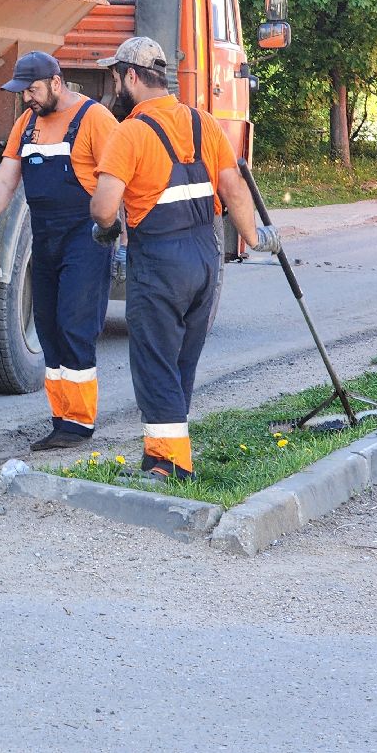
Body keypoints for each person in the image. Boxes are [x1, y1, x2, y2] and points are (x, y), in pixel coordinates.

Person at [88, 37, 280, 481]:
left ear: (131, 77)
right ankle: (163, 454)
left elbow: (103, 207)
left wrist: (105, 229)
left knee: (155, 362)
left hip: (159, 261)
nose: (114, 85)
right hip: (204, 258)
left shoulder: (129, 132)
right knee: (179, 364)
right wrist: (256, 237)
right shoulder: (203, 123)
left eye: (115, 77)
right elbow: (233, 188)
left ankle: (170, 467)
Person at [0, 50, 119, 450]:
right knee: (47, 326)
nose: (27, 99)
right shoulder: (26, 123)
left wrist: (119, 228)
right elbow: (5, 181)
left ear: (55, 82)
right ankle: (61, 418)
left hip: (86, 238)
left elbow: (120, 177)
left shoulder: (95, 120)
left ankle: (80, 424)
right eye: (22, 93)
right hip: (44, 237)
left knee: (74, 325)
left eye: (32, 90)